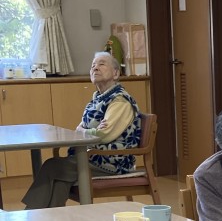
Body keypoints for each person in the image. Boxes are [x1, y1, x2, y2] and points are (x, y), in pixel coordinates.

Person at [22, 52, 141, 209]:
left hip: (112, 162)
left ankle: (31, 215)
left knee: (52, 166)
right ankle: (50, 220)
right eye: (93, 65)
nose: (95, 68)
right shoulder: (97, 99)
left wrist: (85, 130)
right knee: (59, 180)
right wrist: (87, 130)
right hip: (91, 156)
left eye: (102, 64)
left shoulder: (120, 100)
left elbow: (102, 135)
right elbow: (80, 131)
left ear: (116, 73)